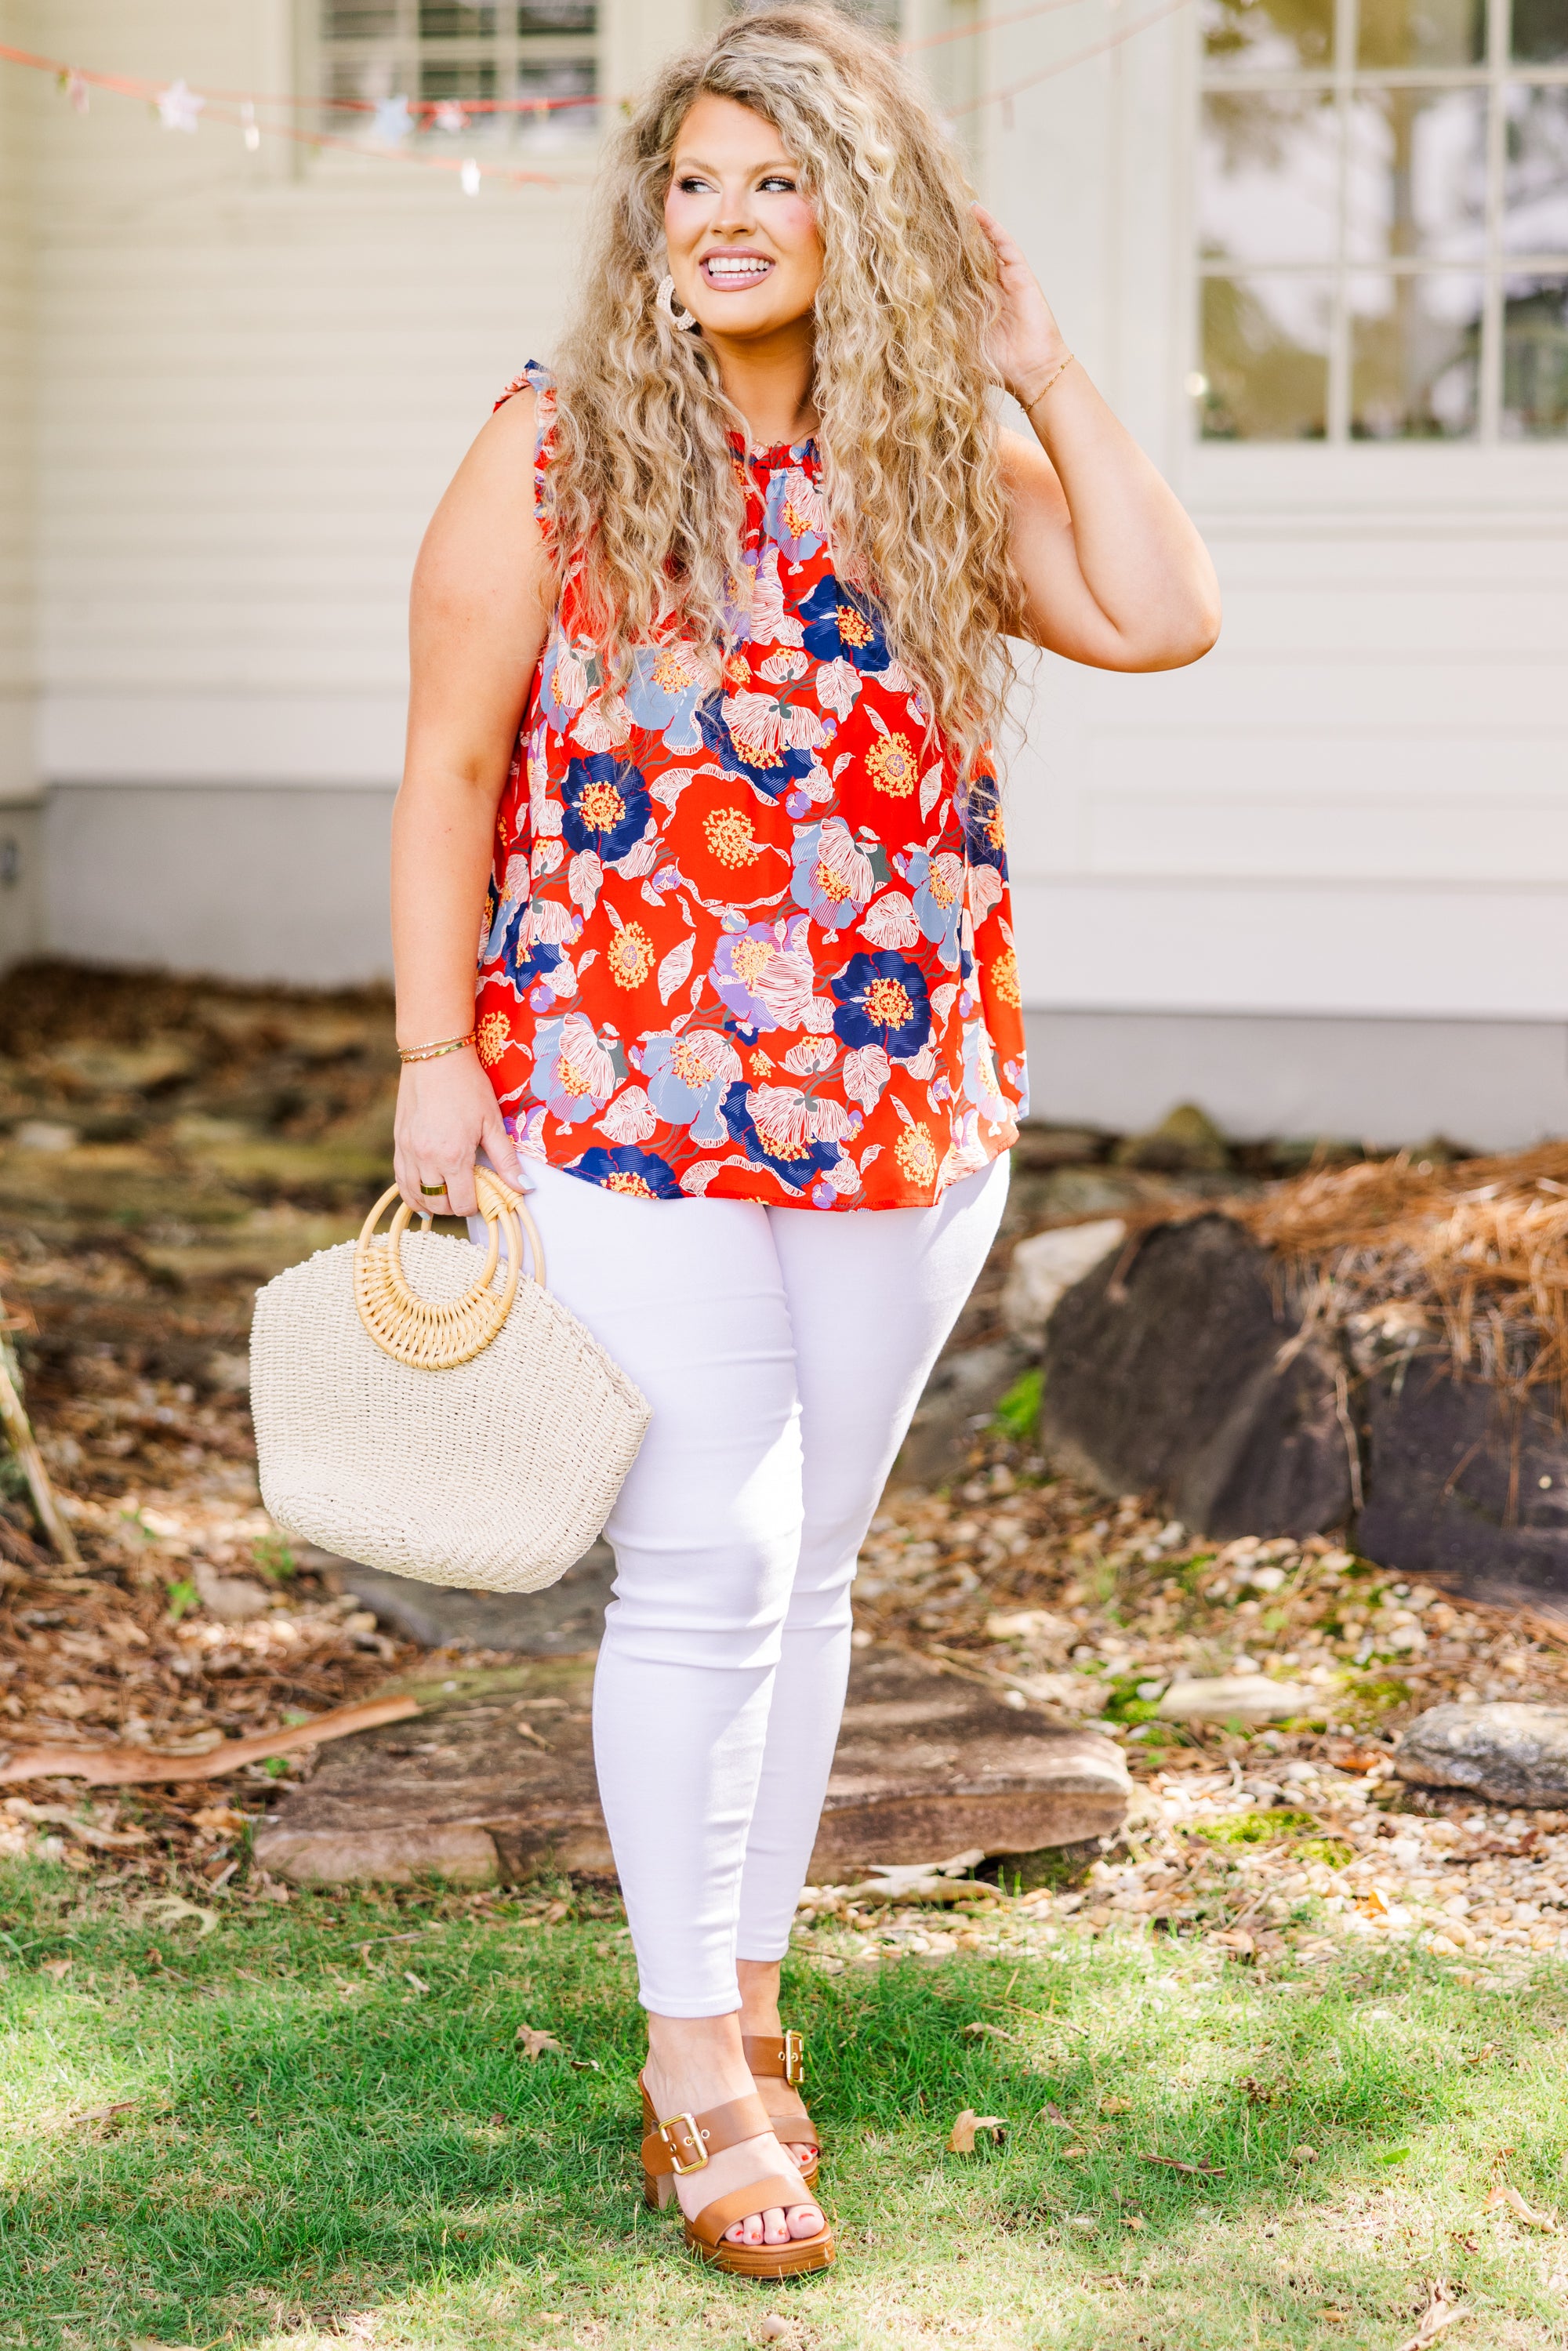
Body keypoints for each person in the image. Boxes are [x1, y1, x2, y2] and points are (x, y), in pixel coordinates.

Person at [388, 1, 1218, 2280]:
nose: (731, 221)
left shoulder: (931, 445)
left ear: (861, 216)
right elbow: (453, 762)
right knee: (707, 1553)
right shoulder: (554, 443)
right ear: (649, 225)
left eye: (780, 181)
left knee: (819, 1559)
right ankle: (687, 2072)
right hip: (620, 1090)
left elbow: (1165, 616)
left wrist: (1039, 365)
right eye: (696, 184)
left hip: (906, 1095)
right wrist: (427, 1052)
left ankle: (751, 1994)